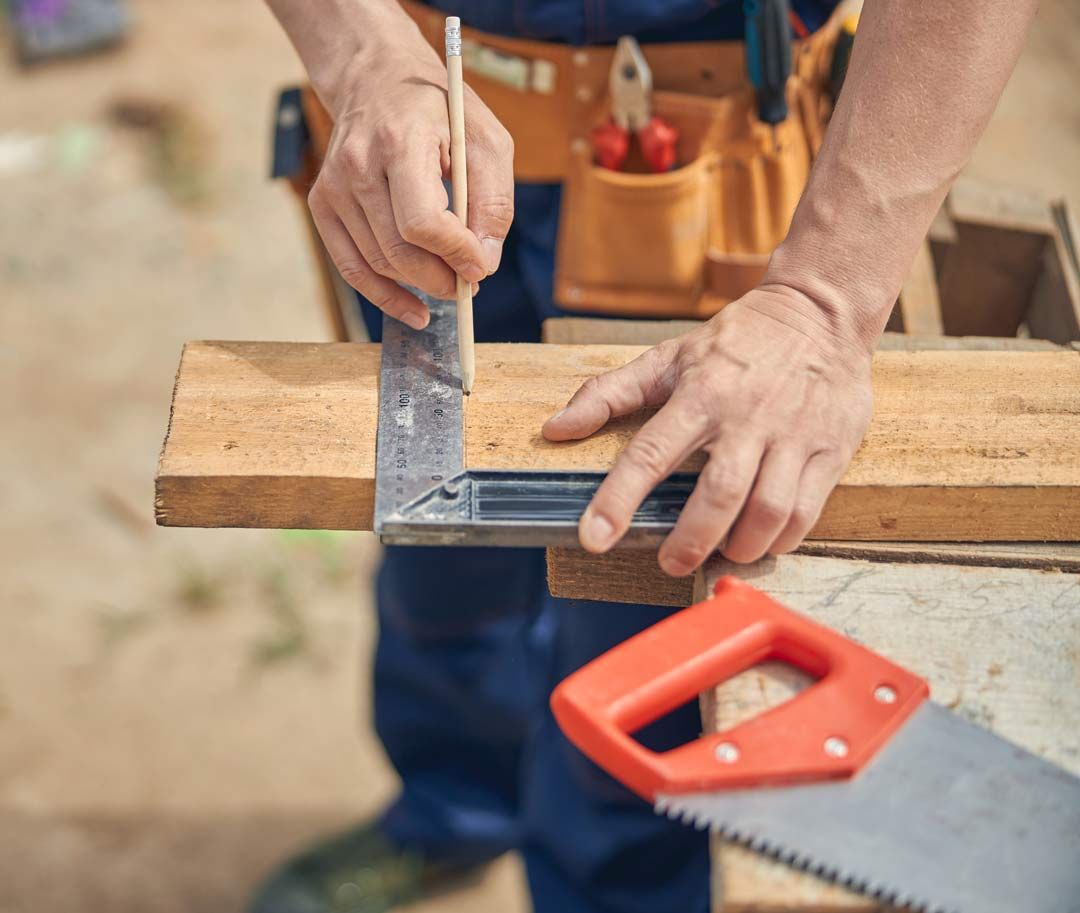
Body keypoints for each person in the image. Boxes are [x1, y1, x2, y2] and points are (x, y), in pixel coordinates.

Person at [253, 1, 1038, 911]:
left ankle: (615, 880)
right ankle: (452, 813)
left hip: (721, 167)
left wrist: (825, 298)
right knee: (440, 563)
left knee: (641, 642)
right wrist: (359, 51)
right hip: (422, 150)